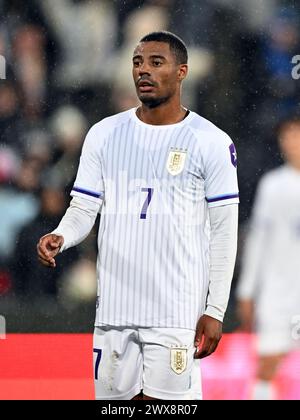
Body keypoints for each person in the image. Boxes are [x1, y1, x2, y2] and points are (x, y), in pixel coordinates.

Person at [37, 31, 239, 400]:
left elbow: (225, 232)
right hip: (115, 310)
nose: (143, 70)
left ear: (182, 72)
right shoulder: (103, 134)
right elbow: (83, 207)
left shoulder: (211, 141)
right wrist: (62, 236)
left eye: (156, 62)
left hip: (176, 312)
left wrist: (215, 309)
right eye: (137, 62)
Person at [236, 115, 300, 400]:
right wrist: (247, 291)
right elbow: (258, 243)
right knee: (268, 364)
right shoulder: (272, 185)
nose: (292, 142)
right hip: (277, 293)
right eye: (287, 136)